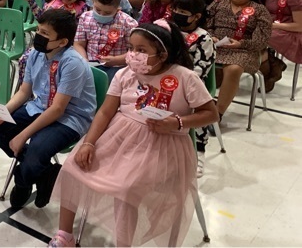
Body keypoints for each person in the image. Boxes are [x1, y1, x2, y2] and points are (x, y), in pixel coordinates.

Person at [49, 19, 219, 248]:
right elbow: (105, 112)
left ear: (162, 54)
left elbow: (211, 114)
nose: (133, 54)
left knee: (126, 189)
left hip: (162, 144)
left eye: (141, 50)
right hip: (119, 135)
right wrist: (89, 143)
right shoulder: (125, 74)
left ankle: (124, 244)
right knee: (72, 167)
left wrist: (177, 122)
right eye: (130, 48)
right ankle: (64, 235)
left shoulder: (185, 77)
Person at [0, 9, 96, 210]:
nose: (38, 35)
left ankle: (23, 181)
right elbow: (24, 91)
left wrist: (23, 135)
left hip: (70, 118)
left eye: (45, 33)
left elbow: (58, 109)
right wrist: (4, 111)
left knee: (36, 150)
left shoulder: (73, 63)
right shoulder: (36, 54)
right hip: (39, 107)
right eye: (38, 30)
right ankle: (47, 174)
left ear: (62, 42)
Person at [206, 0, 271, 122]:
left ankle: (217, 114)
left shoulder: (260, 11)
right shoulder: (217, 4)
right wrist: (210, 36)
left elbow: (262, 40)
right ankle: (199, 107)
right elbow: (205, 25)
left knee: (234, 69)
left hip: (245, 50)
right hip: (215, 46)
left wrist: (241, 43)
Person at [170, 0, 216, 177]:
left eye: (183, 12)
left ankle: (199, 152)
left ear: (196, 16)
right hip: (165, 80)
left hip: (191, 85)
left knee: (197, 109)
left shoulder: (204, 39)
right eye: (175, 10)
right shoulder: (168, 29)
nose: (177, 14)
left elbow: (200, 69)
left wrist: (180, 83)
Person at [74, 0, 138, 81]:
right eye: (98, 10)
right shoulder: (85, 17)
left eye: (107, 13)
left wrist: (115, 60)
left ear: (118, 9)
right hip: (90, 63)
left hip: (117, 67)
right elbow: (79, 44)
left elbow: (135, 52)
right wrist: (84, 60)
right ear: (93, 2)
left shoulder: (128, 23)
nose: (101, 14)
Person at [259, 0, 298, 93]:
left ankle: (269, 70)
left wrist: (273, 25)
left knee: (259, 36)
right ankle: (274, 65)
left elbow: (299, 25)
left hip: (289, 31)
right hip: (269, 27)